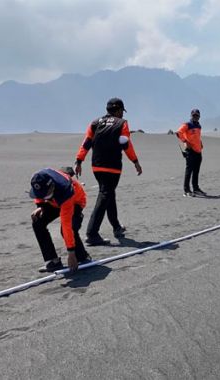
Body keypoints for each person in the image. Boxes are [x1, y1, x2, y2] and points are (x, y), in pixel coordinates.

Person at [75, 98, 142, 246]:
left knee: (109, 193)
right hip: (112, 167)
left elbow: (86, 142)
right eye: (121, 112)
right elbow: (126, 144)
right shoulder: (122, 123)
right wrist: (135, 161)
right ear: (118, 111)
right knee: (105, 194)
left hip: (96, 167)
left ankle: (116, 227)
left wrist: (79, 160)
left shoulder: (95, 122)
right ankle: (92, 233)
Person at [30, 167, 90, 273]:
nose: (44, 196)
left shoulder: (66, 190)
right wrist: (41, 206)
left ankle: (82, 257)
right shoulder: (38, 179)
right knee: (37, 221)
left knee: (69, 227)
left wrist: (71, 253)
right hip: (54, 202)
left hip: (75, 201)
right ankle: (53, 261)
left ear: (52, 186)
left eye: (46, 194)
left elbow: (66, 225)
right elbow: (38, 195)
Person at [177, 109, 206, 196]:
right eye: (194, 115)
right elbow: (179, 133)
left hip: (198, 151)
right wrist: (185, 141)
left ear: (199, 117)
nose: (195, 117)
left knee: (196, 171)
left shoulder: (198, 126)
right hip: (190, 151)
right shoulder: (187, 124)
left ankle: (196, 188)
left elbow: (197, 136)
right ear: (191, 116)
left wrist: (200, 143)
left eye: (197, 115)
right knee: (189, 171)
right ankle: (186, 190)